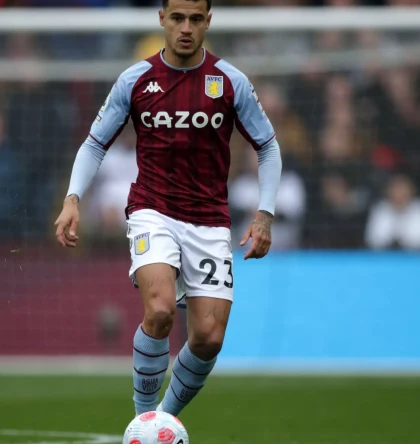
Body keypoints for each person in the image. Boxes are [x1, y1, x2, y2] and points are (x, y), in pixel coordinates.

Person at [53, 0, 282, 417]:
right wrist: (73, 198)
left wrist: (264, 214)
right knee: (158, 310)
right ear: (162, 19)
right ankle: (143, 418)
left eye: (196, 19)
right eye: (177, 18)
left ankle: (164, 419)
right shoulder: (136, 79)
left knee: (209, 337)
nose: (186, 28)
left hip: (210, 220)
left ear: (208, 22)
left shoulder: (229, 81)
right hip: (152, 210)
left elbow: (267, 146)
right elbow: (94, 143)